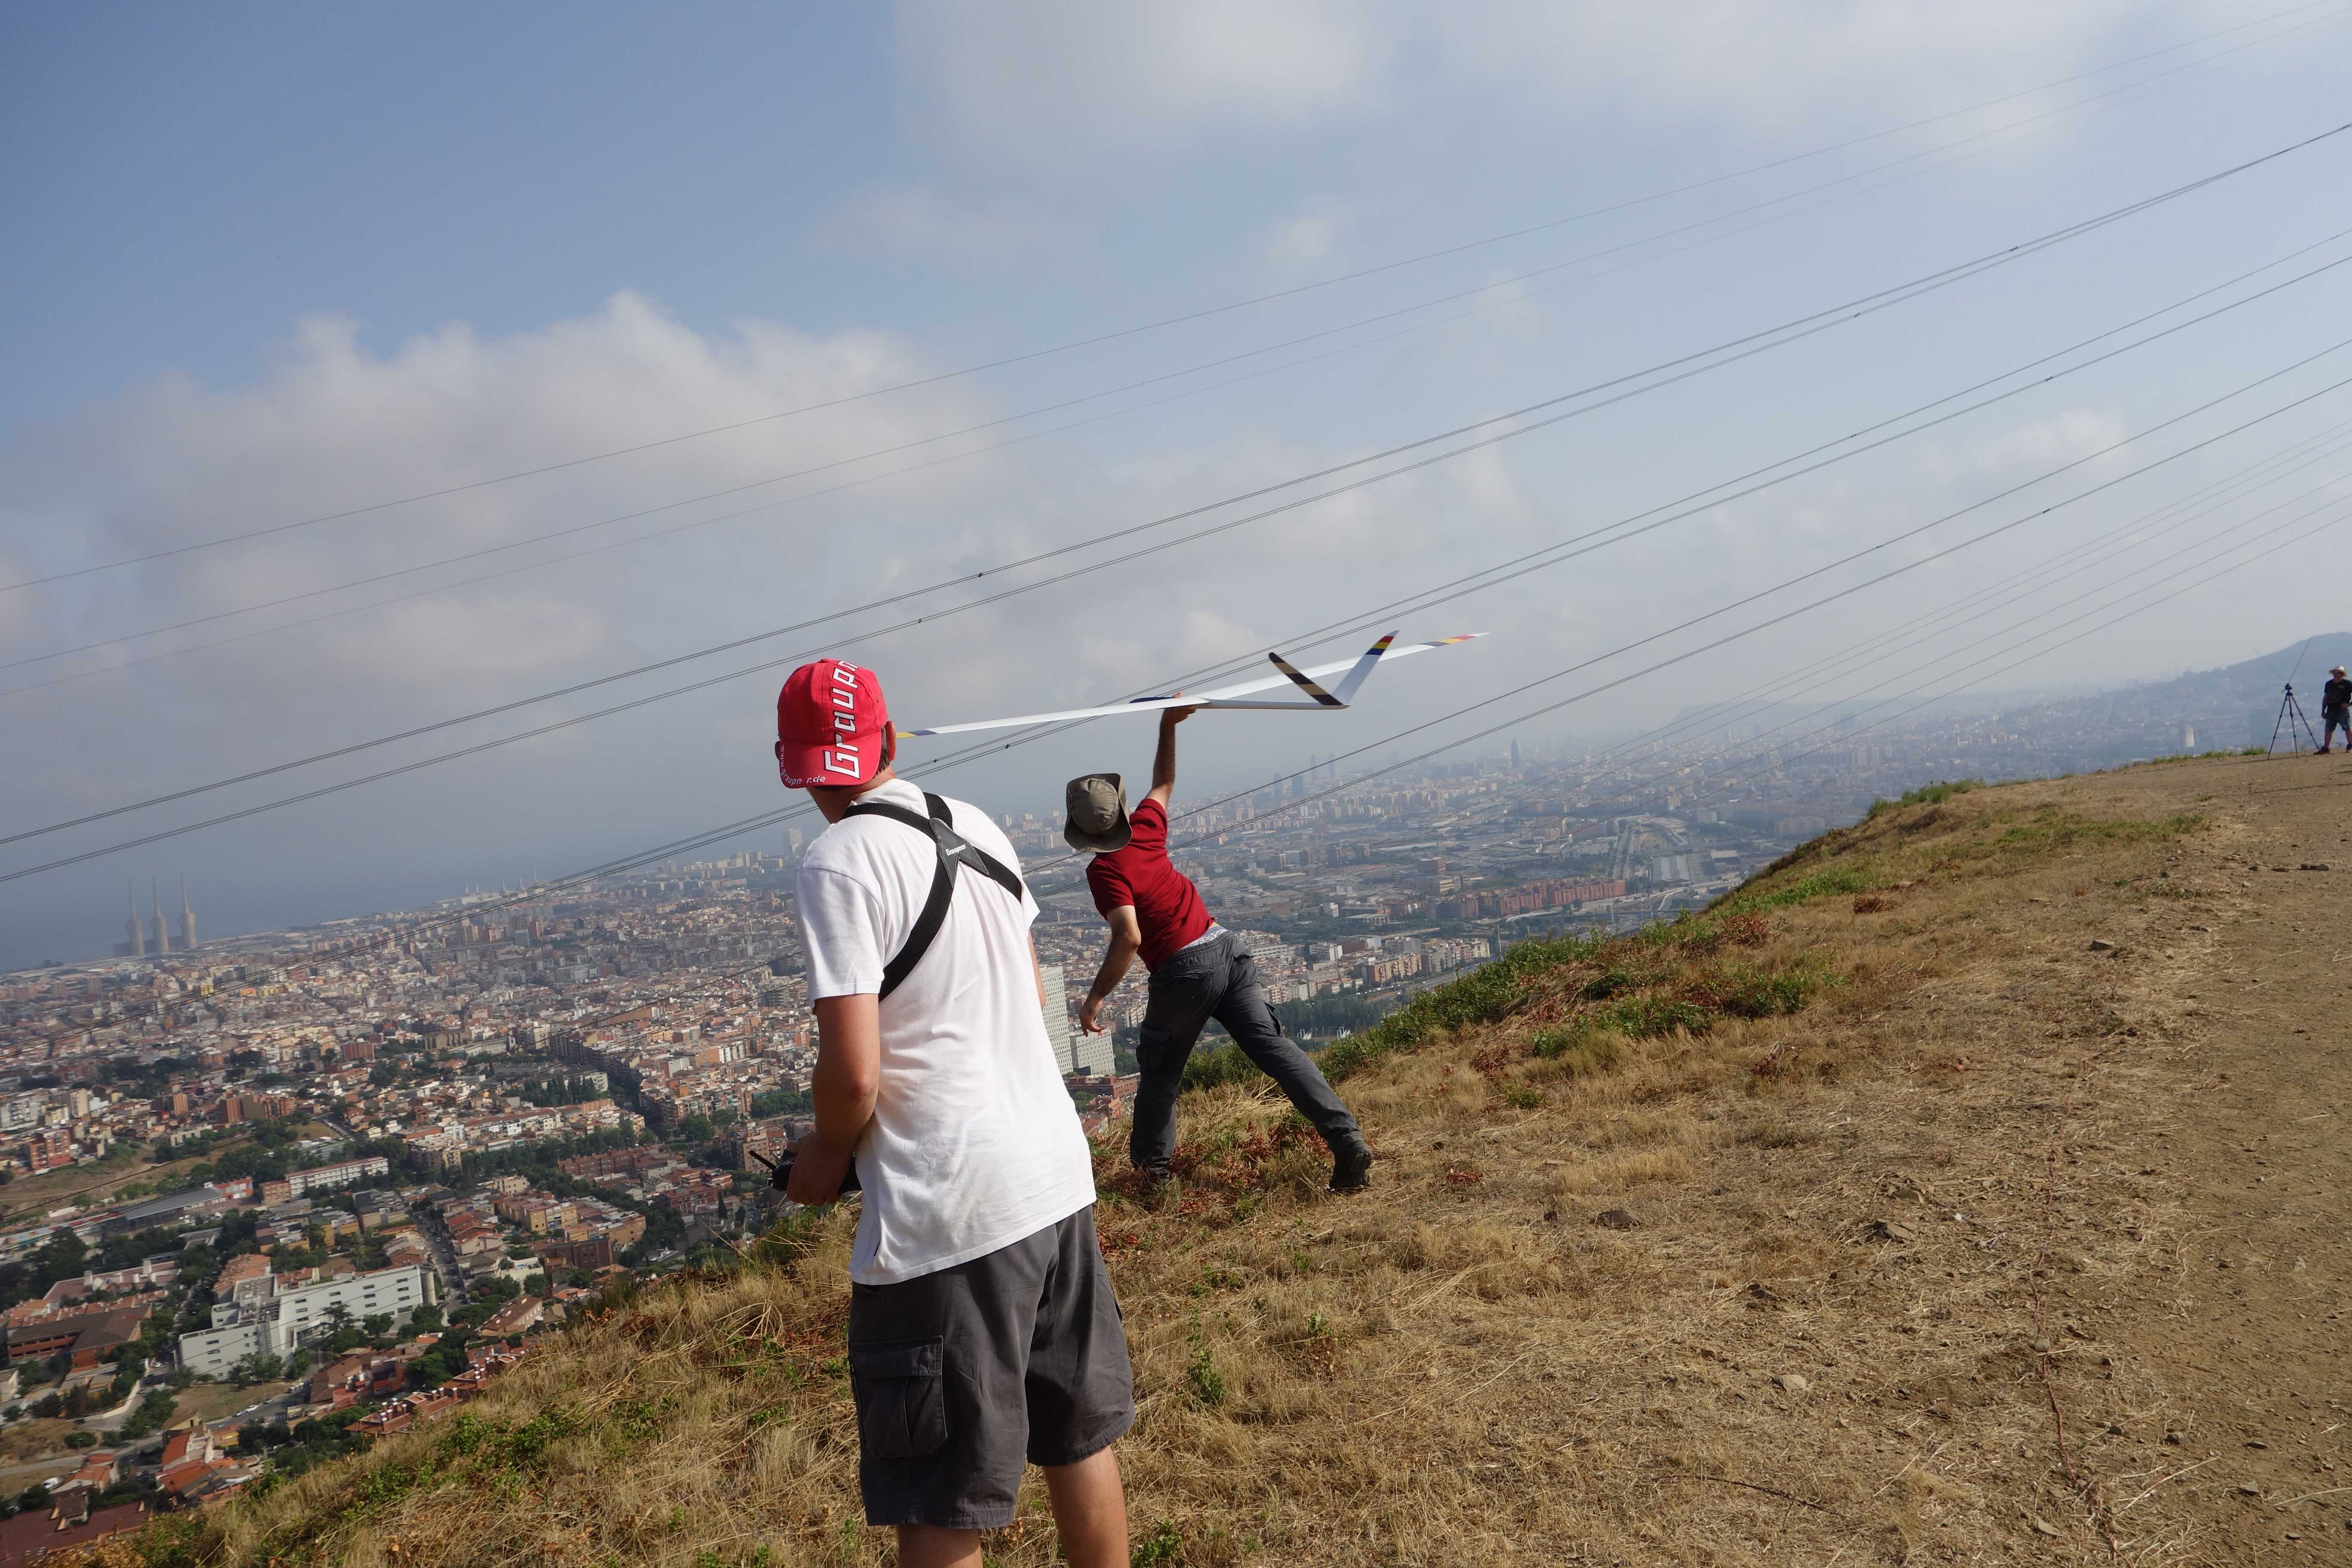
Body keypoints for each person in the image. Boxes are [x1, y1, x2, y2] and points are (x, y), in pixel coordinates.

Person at [777, 658, 1133, 1568]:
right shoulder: (974, 824)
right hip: (1051, 1173)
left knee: (940, 1500)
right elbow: (1022, 995)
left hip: (951, 1212)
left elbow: (854, 1076)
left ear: (796, 766)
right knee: (1077, 1439)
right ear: (888, 740)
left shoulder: (836, 861)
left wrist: (824, 1155)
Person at [1072, 702, 1374, 1191]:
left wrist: (1095, 997)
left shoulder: (1104, 870)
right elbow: (1164, 782)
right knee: (1274, 1049)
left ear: (1083, 834)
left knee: (1159, 1075)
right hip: (1226, 947)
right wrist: (1167, 725)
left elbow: (1129, 936)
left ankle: (1151, 1183)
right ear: (1122, 811)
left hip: (1184, 970)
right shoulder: (1146, 828)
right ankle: (1347, 1141)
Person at [2323, 665, 2352, 753]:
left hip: (2342, 710)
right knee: (2329, 729)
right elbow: (2326, 697)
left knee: (2347, 728)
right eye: (2335, 673)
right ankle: (2326, 748)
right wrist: (2323, 711)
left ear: (2341, 674)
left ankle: (2350, 746)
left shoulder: (2348, 684)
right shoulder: (2329, 684)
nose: (2335, 674)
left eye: (2338, 673)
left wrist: (2349, 705)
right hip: (2331, 709)